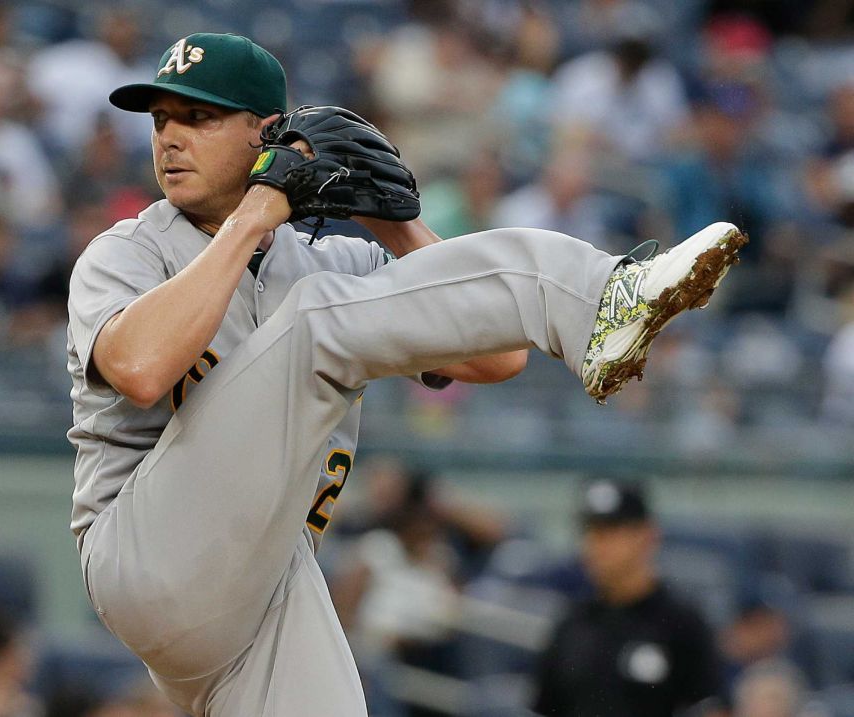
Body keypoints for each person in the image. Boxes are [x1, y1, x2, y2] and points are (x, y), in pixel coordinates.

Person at [67, 32, 745, 717]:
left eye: (199, 117)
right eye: (161, 120)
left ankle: (595, 307)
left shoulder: (329, 261)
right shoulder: (128, 252)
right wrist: (256, 213)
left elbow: (493, 354)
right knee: (311, 322)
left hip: (264, 587)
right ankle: (601, 297)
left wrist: (395, 224)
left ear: (266, 135)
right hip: (144, 552)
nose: (170, 138)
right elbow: (141, 368)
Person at [530, 479, 727, 717]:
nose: (595, 546)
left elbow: (712, 707)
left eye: (609, 532)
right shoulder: (571, 624)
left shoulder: (681, 622)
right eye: (589, 532)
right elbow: (545, 708)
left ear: (647, 536)